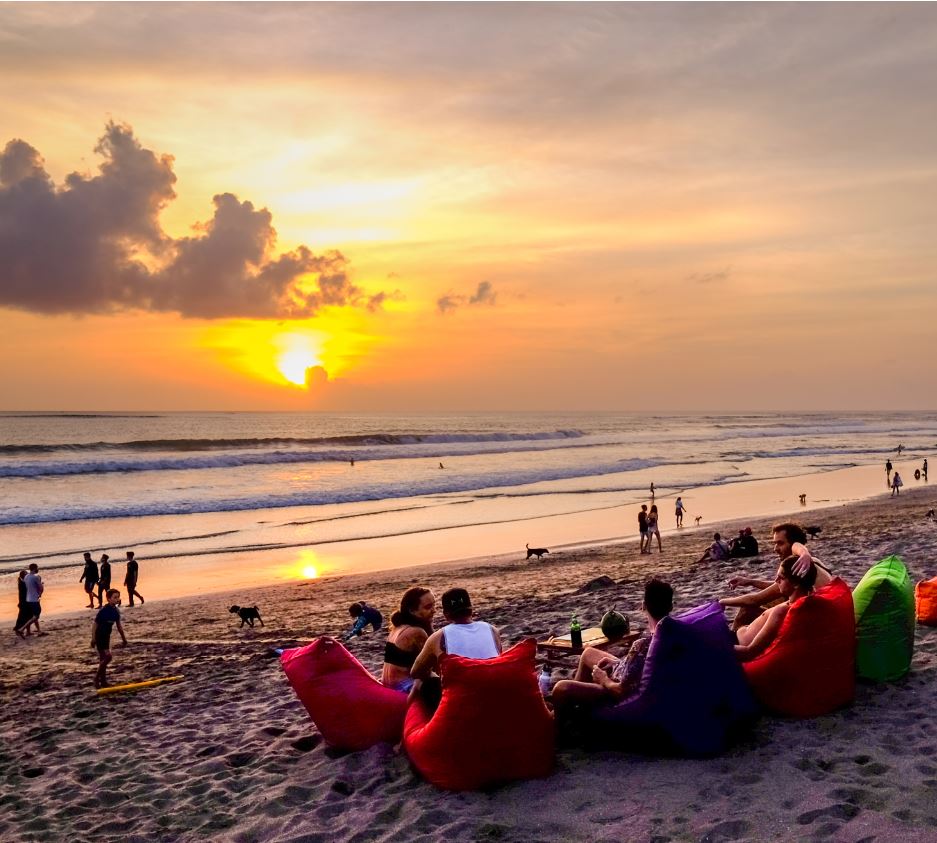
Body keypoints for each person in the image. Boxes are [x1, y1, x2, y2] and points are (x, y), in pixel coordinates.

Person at [551, 579, 673, 715]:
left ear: (643, 606)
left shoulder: (642, 645)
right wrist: (619, 663)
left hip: (622, 691)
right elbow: (641, 664)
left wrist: (602, 678)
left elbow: (620, 691)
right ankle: (573, 710)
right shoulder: (673, 634)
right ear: (671, 607)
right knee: (588, 653)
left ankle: (559, 720)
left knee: (561, 688)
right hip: (633, 675)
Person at [719, 522, 831, 630]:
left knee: (747, 610)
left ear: (793, 545)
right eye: (775, 543)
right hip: (823, 611)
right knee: (771, 604)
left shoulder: (797, 567)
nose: (775, 548)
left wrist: (719, 602)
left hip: (817, 622)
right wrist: (750, 581)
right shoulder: (813, 561)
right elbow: (779, 587)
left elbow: (754, 600)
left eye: (780, 543)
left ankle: (731, 643)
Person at [409, 588, 502, 706]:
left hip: (462, 700)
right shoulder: (493, 630)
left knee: (423, 683)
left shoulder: (438, 637)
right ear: (471, 609)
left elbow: (415, 672)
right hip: (494, 691)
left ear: (445, 615)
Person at [734, 556, 817, 662]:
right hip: (741, 634)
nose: (775, 581)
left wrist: (720, 647)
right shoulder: (809, 599)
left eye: (781, 577)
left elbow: (749, 652)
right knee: (747, 610)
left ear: (795, 584)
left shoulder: (782, 611)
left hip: (736, 643)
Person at [381, 587, 435, 692]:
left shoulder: (398, 627)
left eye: (434, 605)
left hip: (387, 684)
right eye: (428, 607)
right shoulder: (416, 632)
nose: (434, 610)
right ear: (412, 610)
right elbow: (430, 667)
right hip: (402, 687)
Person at [92, 588, 127, 688]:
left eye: (118, 597)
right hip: (100, 636)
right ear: (108, 599)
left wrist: (124, 639)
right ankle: (97, 678)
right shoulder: (104, 610)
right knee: (108, 657)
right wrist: (93, 638)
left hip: (107, 637)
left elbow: (119, 626)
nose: (117, 599)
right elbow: (95, 624)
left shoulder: (116, 611)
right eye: (115, 597)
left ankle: (103, 682)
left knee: (103, 659)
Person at [16, 563, 45, 637]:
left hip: (28, 599)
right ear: (34, 568)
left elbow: (29, 586)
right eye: (37, 568)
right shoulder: (35, 577)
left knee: (33, 616)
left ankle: (38, 631)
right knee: (36, 616)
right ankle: (21, 629)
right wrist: (40, 591)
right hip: (34, 599)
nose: (38, 569)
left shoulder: (26, 577)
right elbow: (41, 589)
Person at [13, 570, 32, 638]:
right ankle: (18, 630)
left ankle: (28, 631)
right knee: (22, 617)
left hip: (25, 602)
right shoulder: (22, 583)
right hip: (24, 603)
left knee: (27, 616)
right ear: (23, 576)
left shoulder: (22, 582)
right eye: (26, 574)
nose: (27, 576)